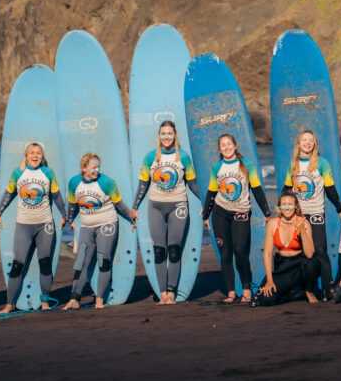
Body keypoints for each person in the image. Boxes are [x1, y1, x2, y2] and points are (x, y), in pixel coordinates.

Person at [132, 121, 202, 305]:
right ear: (159, 136)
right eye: (163, 133)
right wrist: (134, 207)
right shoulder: (150, 157)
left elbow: (193, 183)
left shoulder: (184, 157)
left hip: (178, 205)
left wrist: (206, 203)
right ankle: (162, 293)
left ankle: (171, 293)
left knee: (174, 250)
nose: (166, 137)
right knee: (158, 250)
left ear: (175, 135)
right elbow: (142, 185)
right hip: (155, 206)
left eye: (169, 133)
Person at [0, 142, 66, 314]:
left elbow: (56, 196)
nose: (35, 156)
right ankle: (9, 304)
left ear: (42, 157)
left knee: (45, 263)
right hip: (23, 224)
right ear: (26, 156)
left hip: (45, 224)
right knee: (17, 265)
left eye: (38, 153)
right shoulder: (17, 173)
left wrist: (65, 215)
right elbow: (9, 193)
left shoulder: (48, 173)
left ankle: (45, 302)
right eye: (32, 153)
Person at [61, 153, 137, 309]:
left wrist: (131, 218)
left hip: (107, 225)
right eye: (93, 167)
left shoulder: (107, 182)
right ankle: (74, 299)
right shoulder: (74, 183)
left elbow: (119, 205)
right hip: (86, 227)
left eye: (98, 166)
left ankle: (99, 300)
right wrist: (69, 220)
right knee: (81, 262)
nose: (97, 170)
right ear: (84, 168)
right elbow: (73, 205)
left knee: (103, 260)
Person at [202, 134, 271, 304]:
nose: (226, 147)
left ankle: (246, 290)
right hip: (220, 213)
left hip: (241, 212)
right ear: (219, 149)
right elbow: (211, 193)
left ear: (235, 145)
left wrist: (267, 213)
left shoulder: (246, 165)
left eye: (229, 144)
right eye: (223, 145)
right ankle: (231, 293)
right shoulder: (216, 168)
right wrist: (205, 215)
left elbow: (257, 189)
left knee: (240, 250)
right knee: (225, 253)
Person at [281, 129, 341, 300]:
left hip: (316, 211)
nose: (307, 143)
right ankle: (306, 288)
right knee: (300, 252)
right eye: (304, 140)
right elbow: (287, 189)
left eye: (311, 140)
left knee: (320, 250)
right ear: (298, 144)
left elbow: (330, 188)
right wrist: (280, 208)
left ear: (314, 144)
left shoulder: (321, 163)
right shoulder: (292, 164)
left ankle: (327, 288)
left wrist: (340, 208)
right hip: (298, 213)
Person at [253, 190, 319, 306]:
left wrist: (302, 231)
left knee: (311, 264)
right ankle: (287, 291)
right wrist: (269, 280)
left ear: (296, 206)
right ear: (279, 207)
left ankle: (308, 291)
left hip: (300, 264)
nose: (287, 208)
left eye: (290, 204)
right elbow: (268, 254)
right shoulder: (273, 224)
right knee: (265, 300)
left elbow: (309, 254)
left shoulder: (304, 223)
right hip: (283, 266)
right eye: (284, 204)